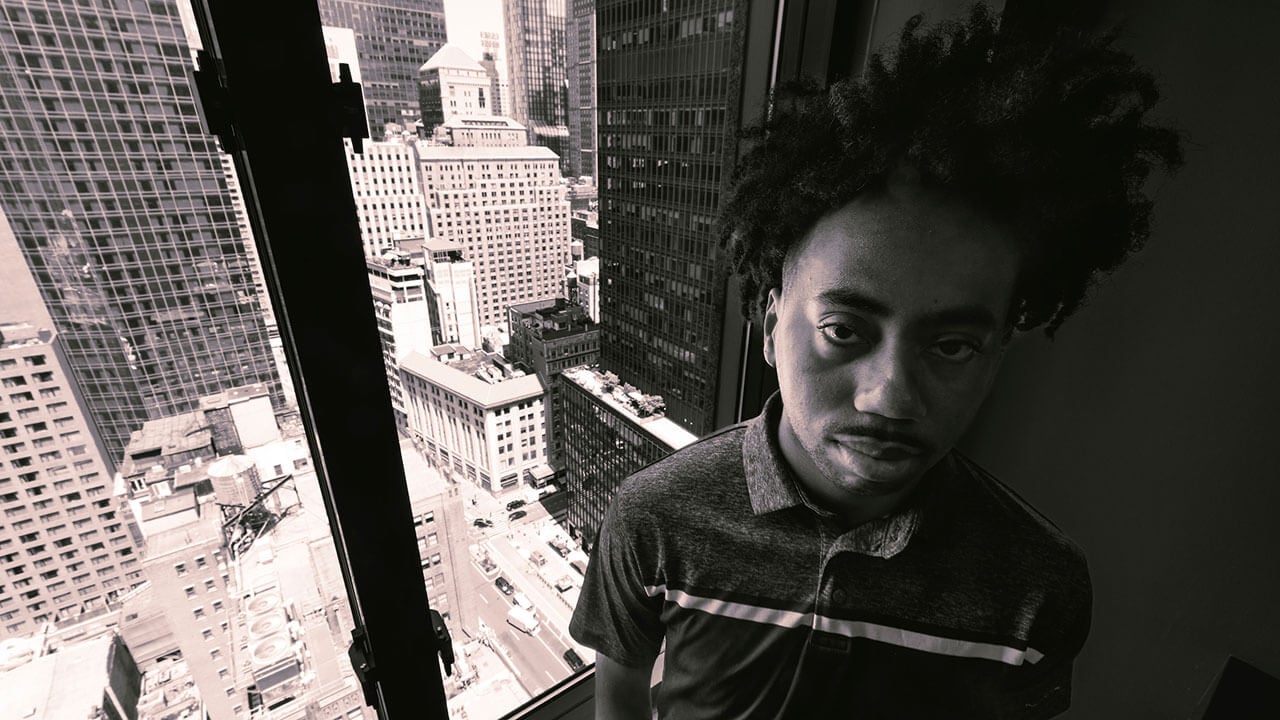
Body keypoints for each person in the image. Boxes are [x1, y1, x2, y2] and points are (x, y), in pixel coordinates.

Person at [568, 5, 1183, 718]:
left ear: (995, 356)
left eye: (951, 346)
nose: (890, 397)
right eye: (844, 330)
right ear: (771, 326)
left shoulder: (1038, 587)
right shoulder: (654, 517)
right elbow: (617, 694)